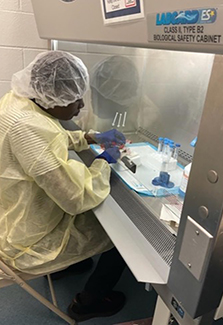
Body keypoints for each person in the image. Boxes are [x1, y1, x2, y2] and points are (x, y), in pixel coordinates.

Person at [0, 51, 127, 321]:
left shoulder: (19, 102)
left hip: (11, 214)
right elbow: (75, 197)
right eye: (73, 99)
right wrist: (104, 162)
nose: (80, 105)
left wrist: (89, 137)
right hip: (26, 243)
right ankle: (88, 302)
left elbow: (49, 135)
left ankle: (67, 267)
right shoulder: (29, 127)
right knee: (123, 237)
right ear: (49, 96)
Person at [76, 55, 160, 134]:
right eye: (93, 93)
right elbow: (81, 127)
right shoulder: (98, 106)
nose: (92, 101)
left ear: (121, 99)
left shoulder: (146, 116)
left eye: (101, 98)